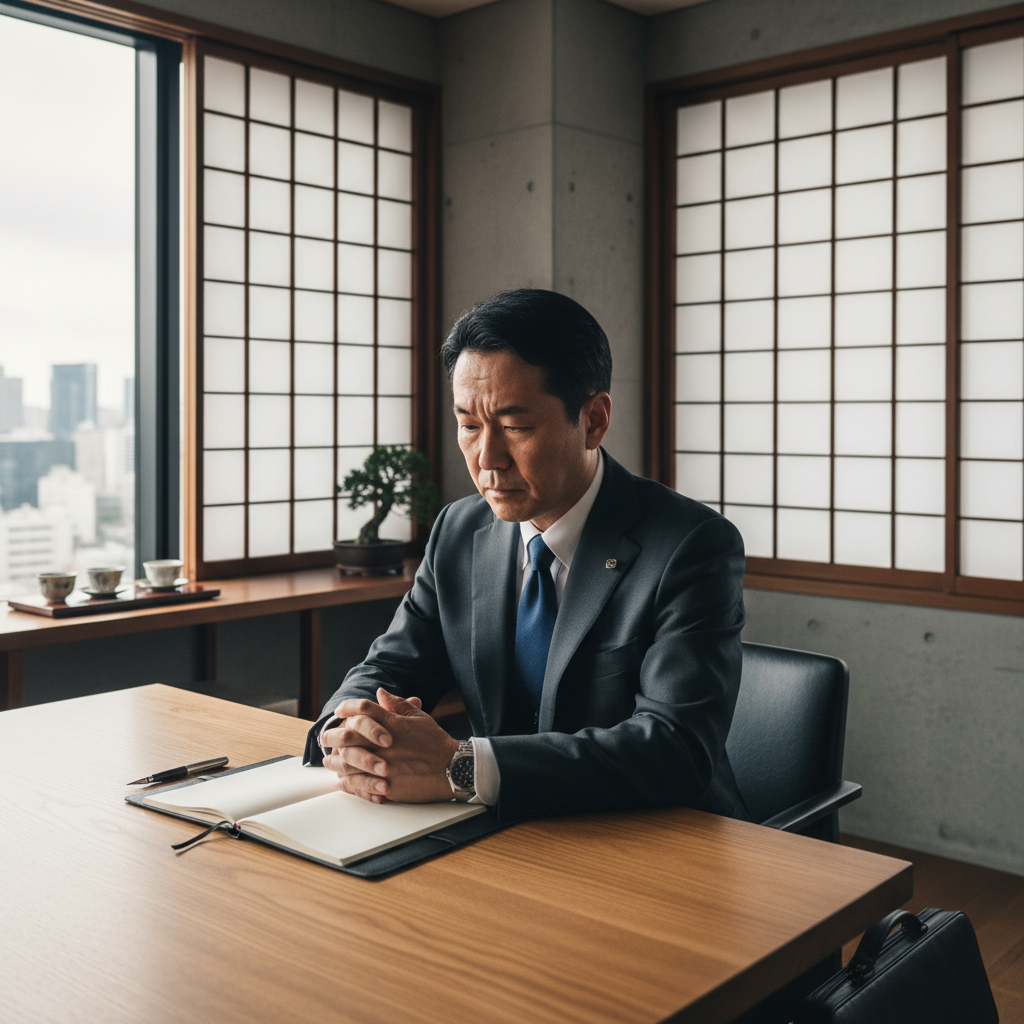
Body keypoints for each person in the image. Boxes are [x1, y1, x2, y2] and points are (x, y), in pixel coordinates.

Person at [304, 288, 749, 822]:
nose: (487, 459)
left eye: (515, 427)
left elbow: (675, 750)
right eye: (469, 425)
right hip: (505, 833)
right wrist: (347, 729)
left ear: (593, 420)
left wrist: (459, 765)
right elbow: (391, 665)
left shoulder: (690, 545)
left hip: (659, 840)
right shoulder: (458, 530)